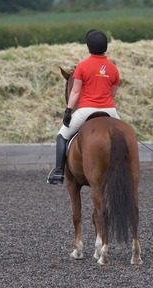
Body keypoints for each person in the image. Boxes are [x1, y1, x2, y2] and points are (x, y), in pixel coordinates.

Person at [47, 29, 120, 184]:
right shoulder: (113, 68)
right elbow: (113, 93)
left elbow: (75, 92)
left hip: (86, 110)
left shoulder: (82, 66)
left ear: (88, 48)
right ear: (105, 47)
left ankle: (59, 173)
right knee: (125, 137)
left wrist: (68, 111)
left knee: (62, 135)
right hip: (110, 110)